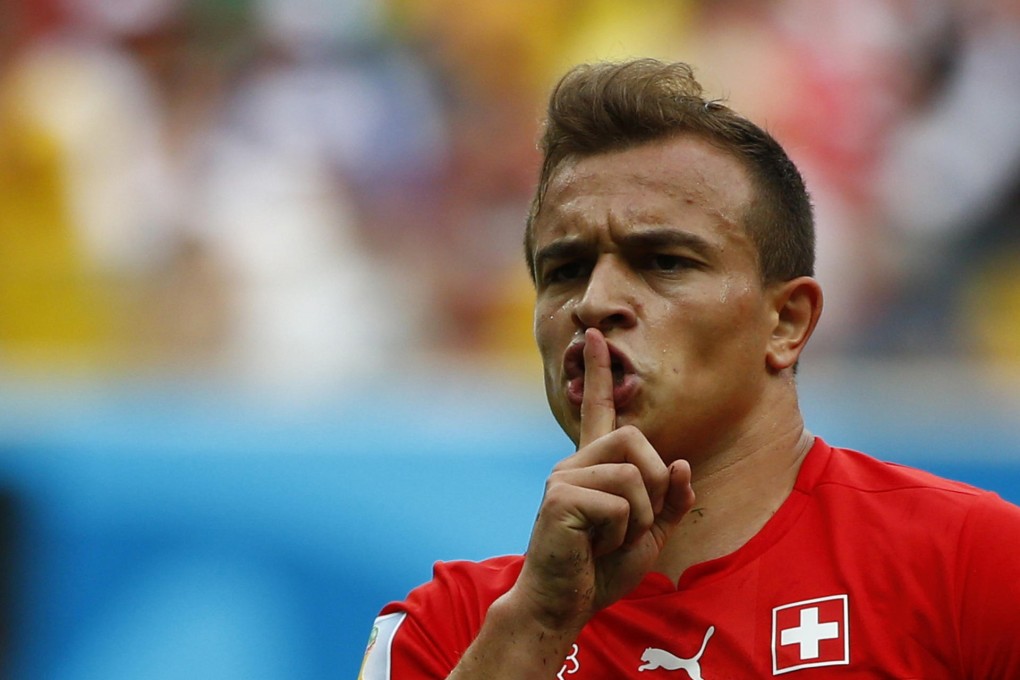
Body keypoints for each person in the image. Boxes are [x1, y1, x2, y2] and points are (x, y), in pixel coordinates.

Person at [359, 59, 1020, 678]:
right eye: (565, 271)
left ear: (786, 322)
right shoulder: (444, 630)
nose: (594, 302)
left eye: (664, 262)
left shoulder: (972, 565)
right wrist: (538, 623)